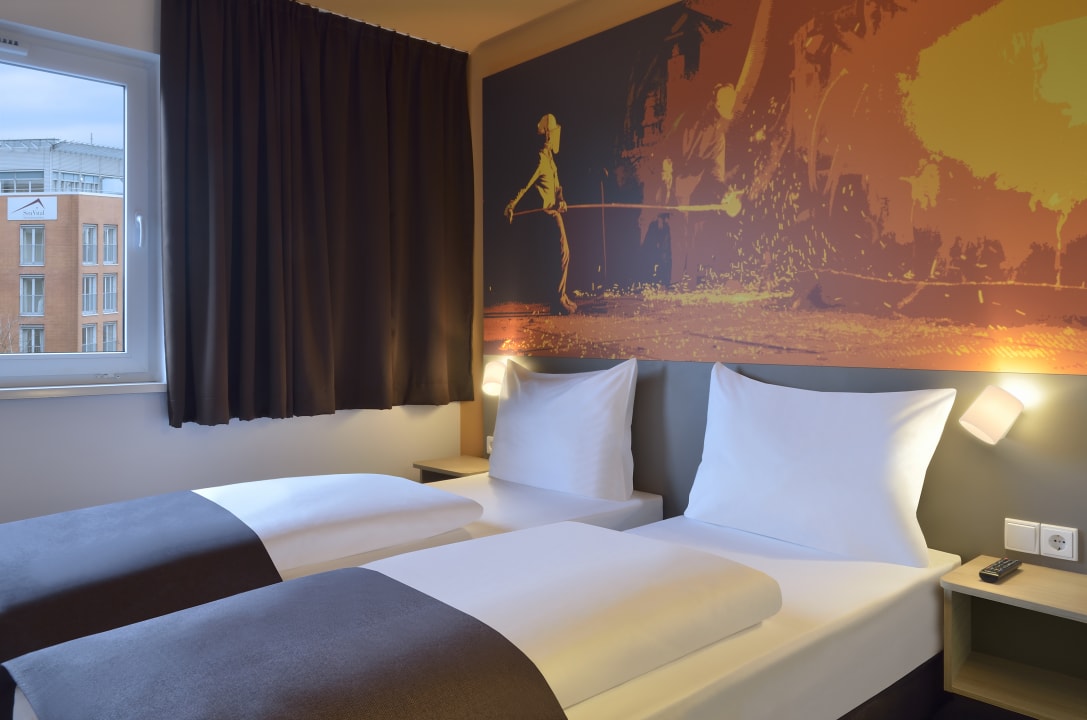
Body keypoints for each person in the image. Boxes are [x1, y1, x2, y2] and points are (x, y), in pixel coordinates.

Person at [504, 113, 578, 314]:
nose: (555, 136)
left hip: (554, 211)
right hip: (547, 214)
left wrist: (561, 200)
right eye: (552, 132)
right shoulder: (540, 160)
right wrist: (511, 204)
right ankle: (558, 300)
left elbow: (557, 187)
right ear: (547, 135)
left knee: (563, 254)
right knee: (562, 254)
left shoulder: (550, 160)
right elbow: (524, 185)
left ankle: (560, 296)